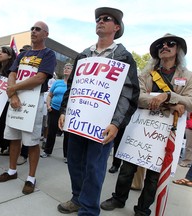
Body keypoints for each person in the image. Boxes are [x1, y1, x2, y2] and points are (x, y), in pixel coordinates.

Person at [57, 7, 140, 216]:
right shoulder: (84, 55)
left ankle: (89, 210)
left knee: (94, 167)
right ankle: (77, 198)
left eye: (106, 19)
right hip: (77, 120)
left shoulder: (124, 57)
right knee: (75, 162)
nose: (100, 21)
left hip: (102, 125)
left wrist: (116, 123)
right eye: (98, 19)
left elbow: (128, 93)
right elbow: (73, 86)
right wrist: (64, 111)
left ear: (117, 27)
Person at [100, 33, 192, 216]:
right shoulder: (145, 74)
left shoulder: (188, 76)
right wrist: (172, 103)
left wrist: (166, 96)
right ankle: (118, 198)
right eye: (160, 45)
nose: (164, 47)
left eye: (170, 44)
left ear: (178, 50)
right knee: (127, 168)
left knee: (154, 175)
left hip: (166, 132)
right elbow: (137, 95)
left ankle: (143, 209)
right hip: (140, 127)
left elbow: (190, 101)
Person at [0, 21, 56, 195]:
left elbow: (39, 78)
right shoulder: (23, 55)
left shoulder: (48, 54)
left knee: (31, 141)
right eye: (32, 29)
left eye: (38, 29)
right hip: (16, 99)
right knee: (13, 137)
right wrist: (12, 95)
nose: (34, 31)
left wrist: (13, 89)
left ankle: (31, 178)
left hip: (34, 101)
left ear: (45, 34)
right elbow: (12, 74)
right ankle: (12, 171)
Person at [40, 63, 72, 162]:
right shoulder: (57, 82)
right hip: (54, 109)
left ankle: (67, 156)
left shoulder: (74, 84)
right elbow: (50, 95)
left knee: (67, 134)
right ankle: (47, 151)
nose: (66, 69)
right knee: (51, 131)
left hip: (66, 112)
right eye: (65, 68)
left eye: (69, 68)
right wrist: (48, 106)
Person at [16, 44, 33, 166]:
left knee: (26, 131)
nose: (22, 54)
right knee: (16, 129)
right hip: (17, 97)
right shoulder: (18, 66)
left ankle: (24, 154)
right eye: (20, 52)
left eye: (24, 52)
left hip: (30, 100)